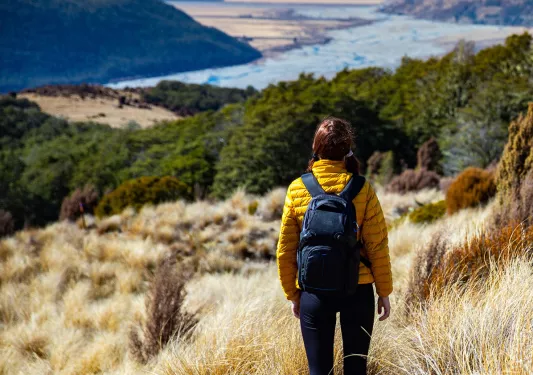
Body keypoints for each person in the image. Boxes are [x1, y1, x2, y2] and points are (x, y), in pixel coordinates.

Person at [276, 117, 393, 375]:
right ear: (347, 150)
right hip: (358, 289)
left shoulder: (297, 189)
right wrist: (383, 292)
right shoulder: (362, 189)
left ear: (315, 148)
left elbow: (285, 250)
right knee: (355, 369)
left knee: (319, 371)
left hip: (314, 291)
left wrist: (293, 294)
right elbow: (377, 246)